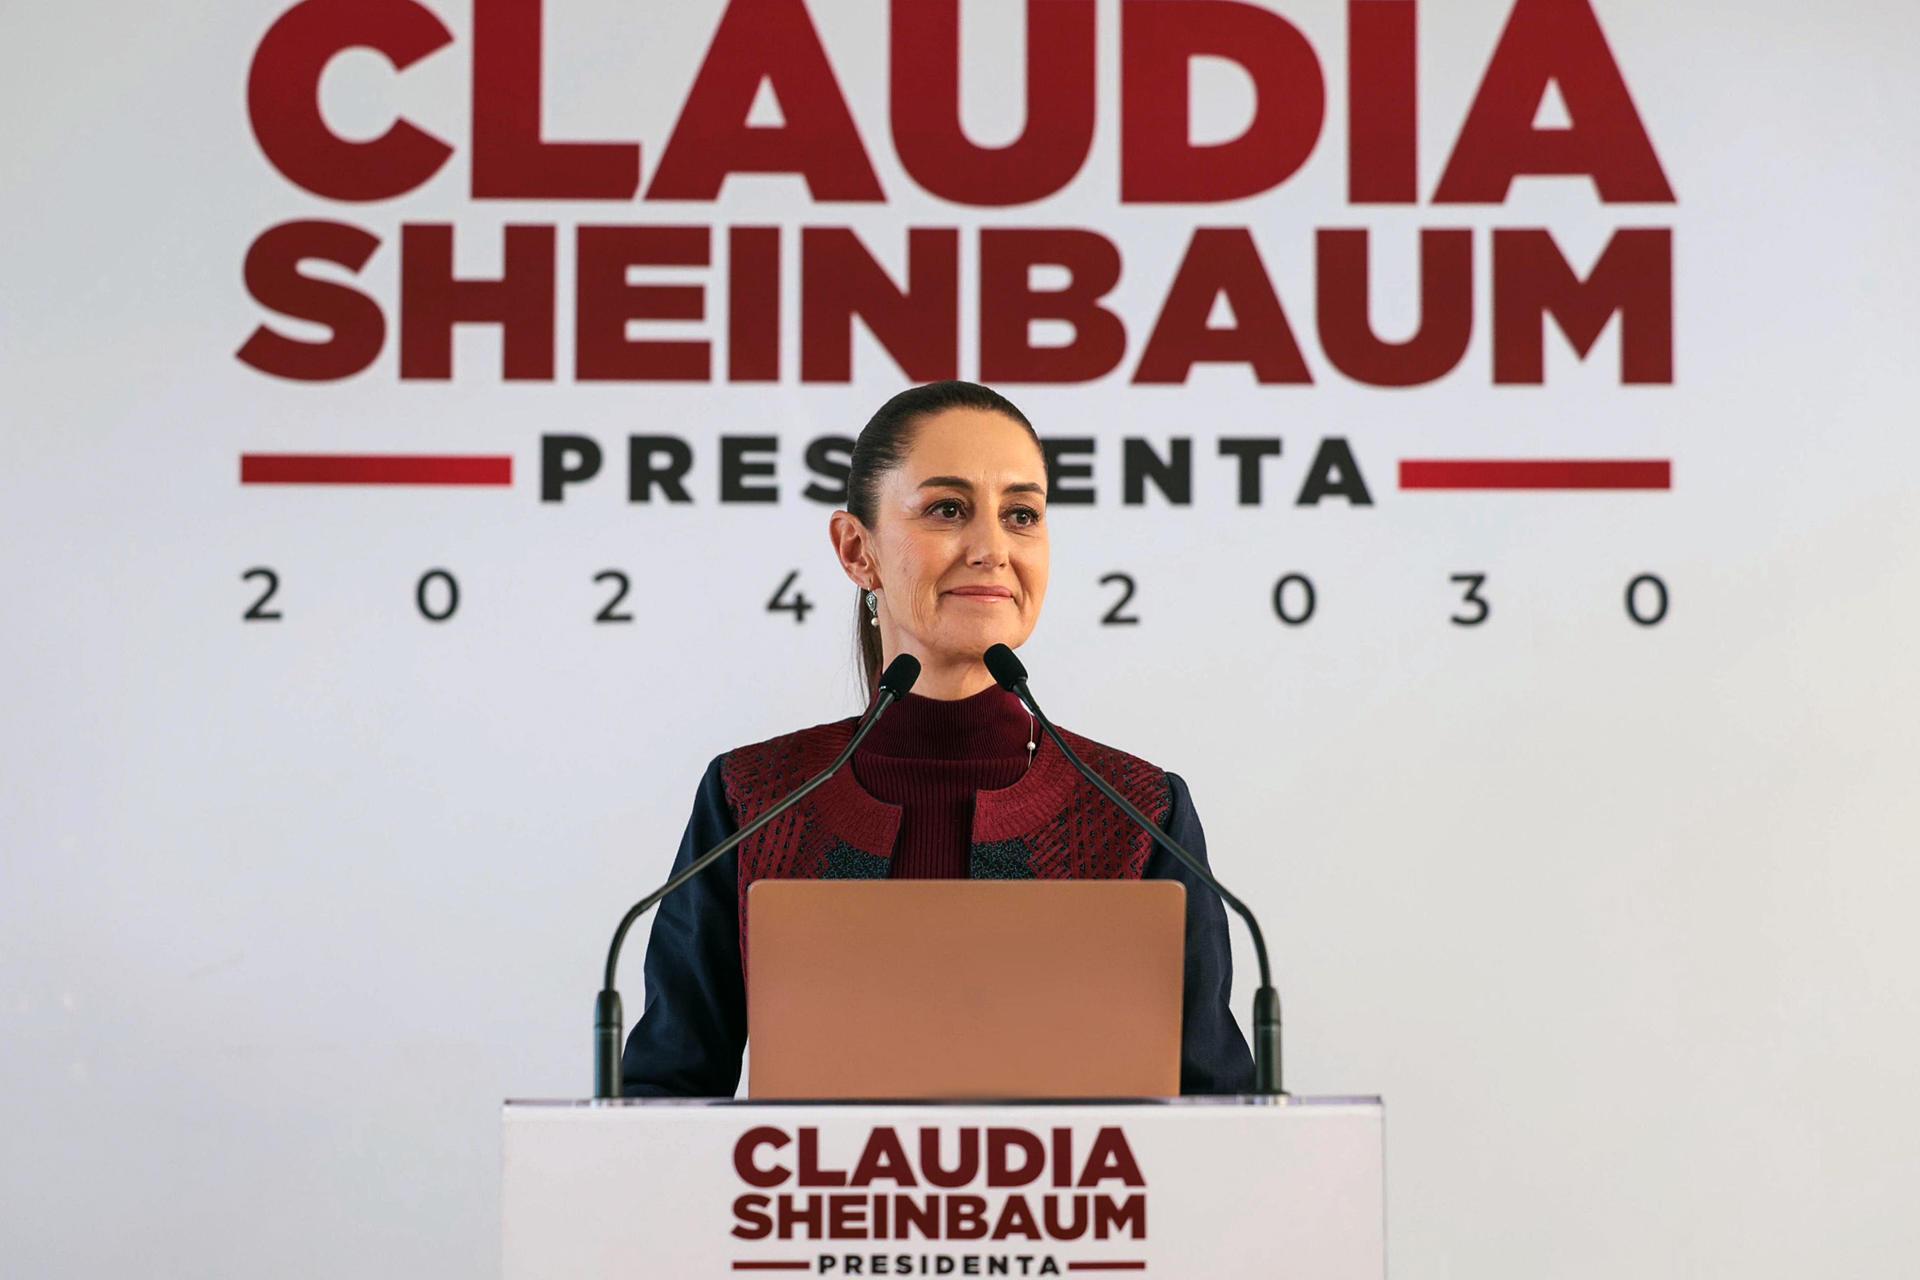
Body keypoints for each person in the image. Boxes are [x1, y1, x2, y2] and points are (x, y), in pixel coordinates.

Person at [621, 380, 1254, 1096]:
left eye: (1021, 515)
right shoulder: (751, 800)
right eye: (948, 509)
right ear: (857, 550)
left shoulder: (1140, 812)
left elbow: (1219, 1117)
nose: (992, 549)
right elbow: (660, 1103)